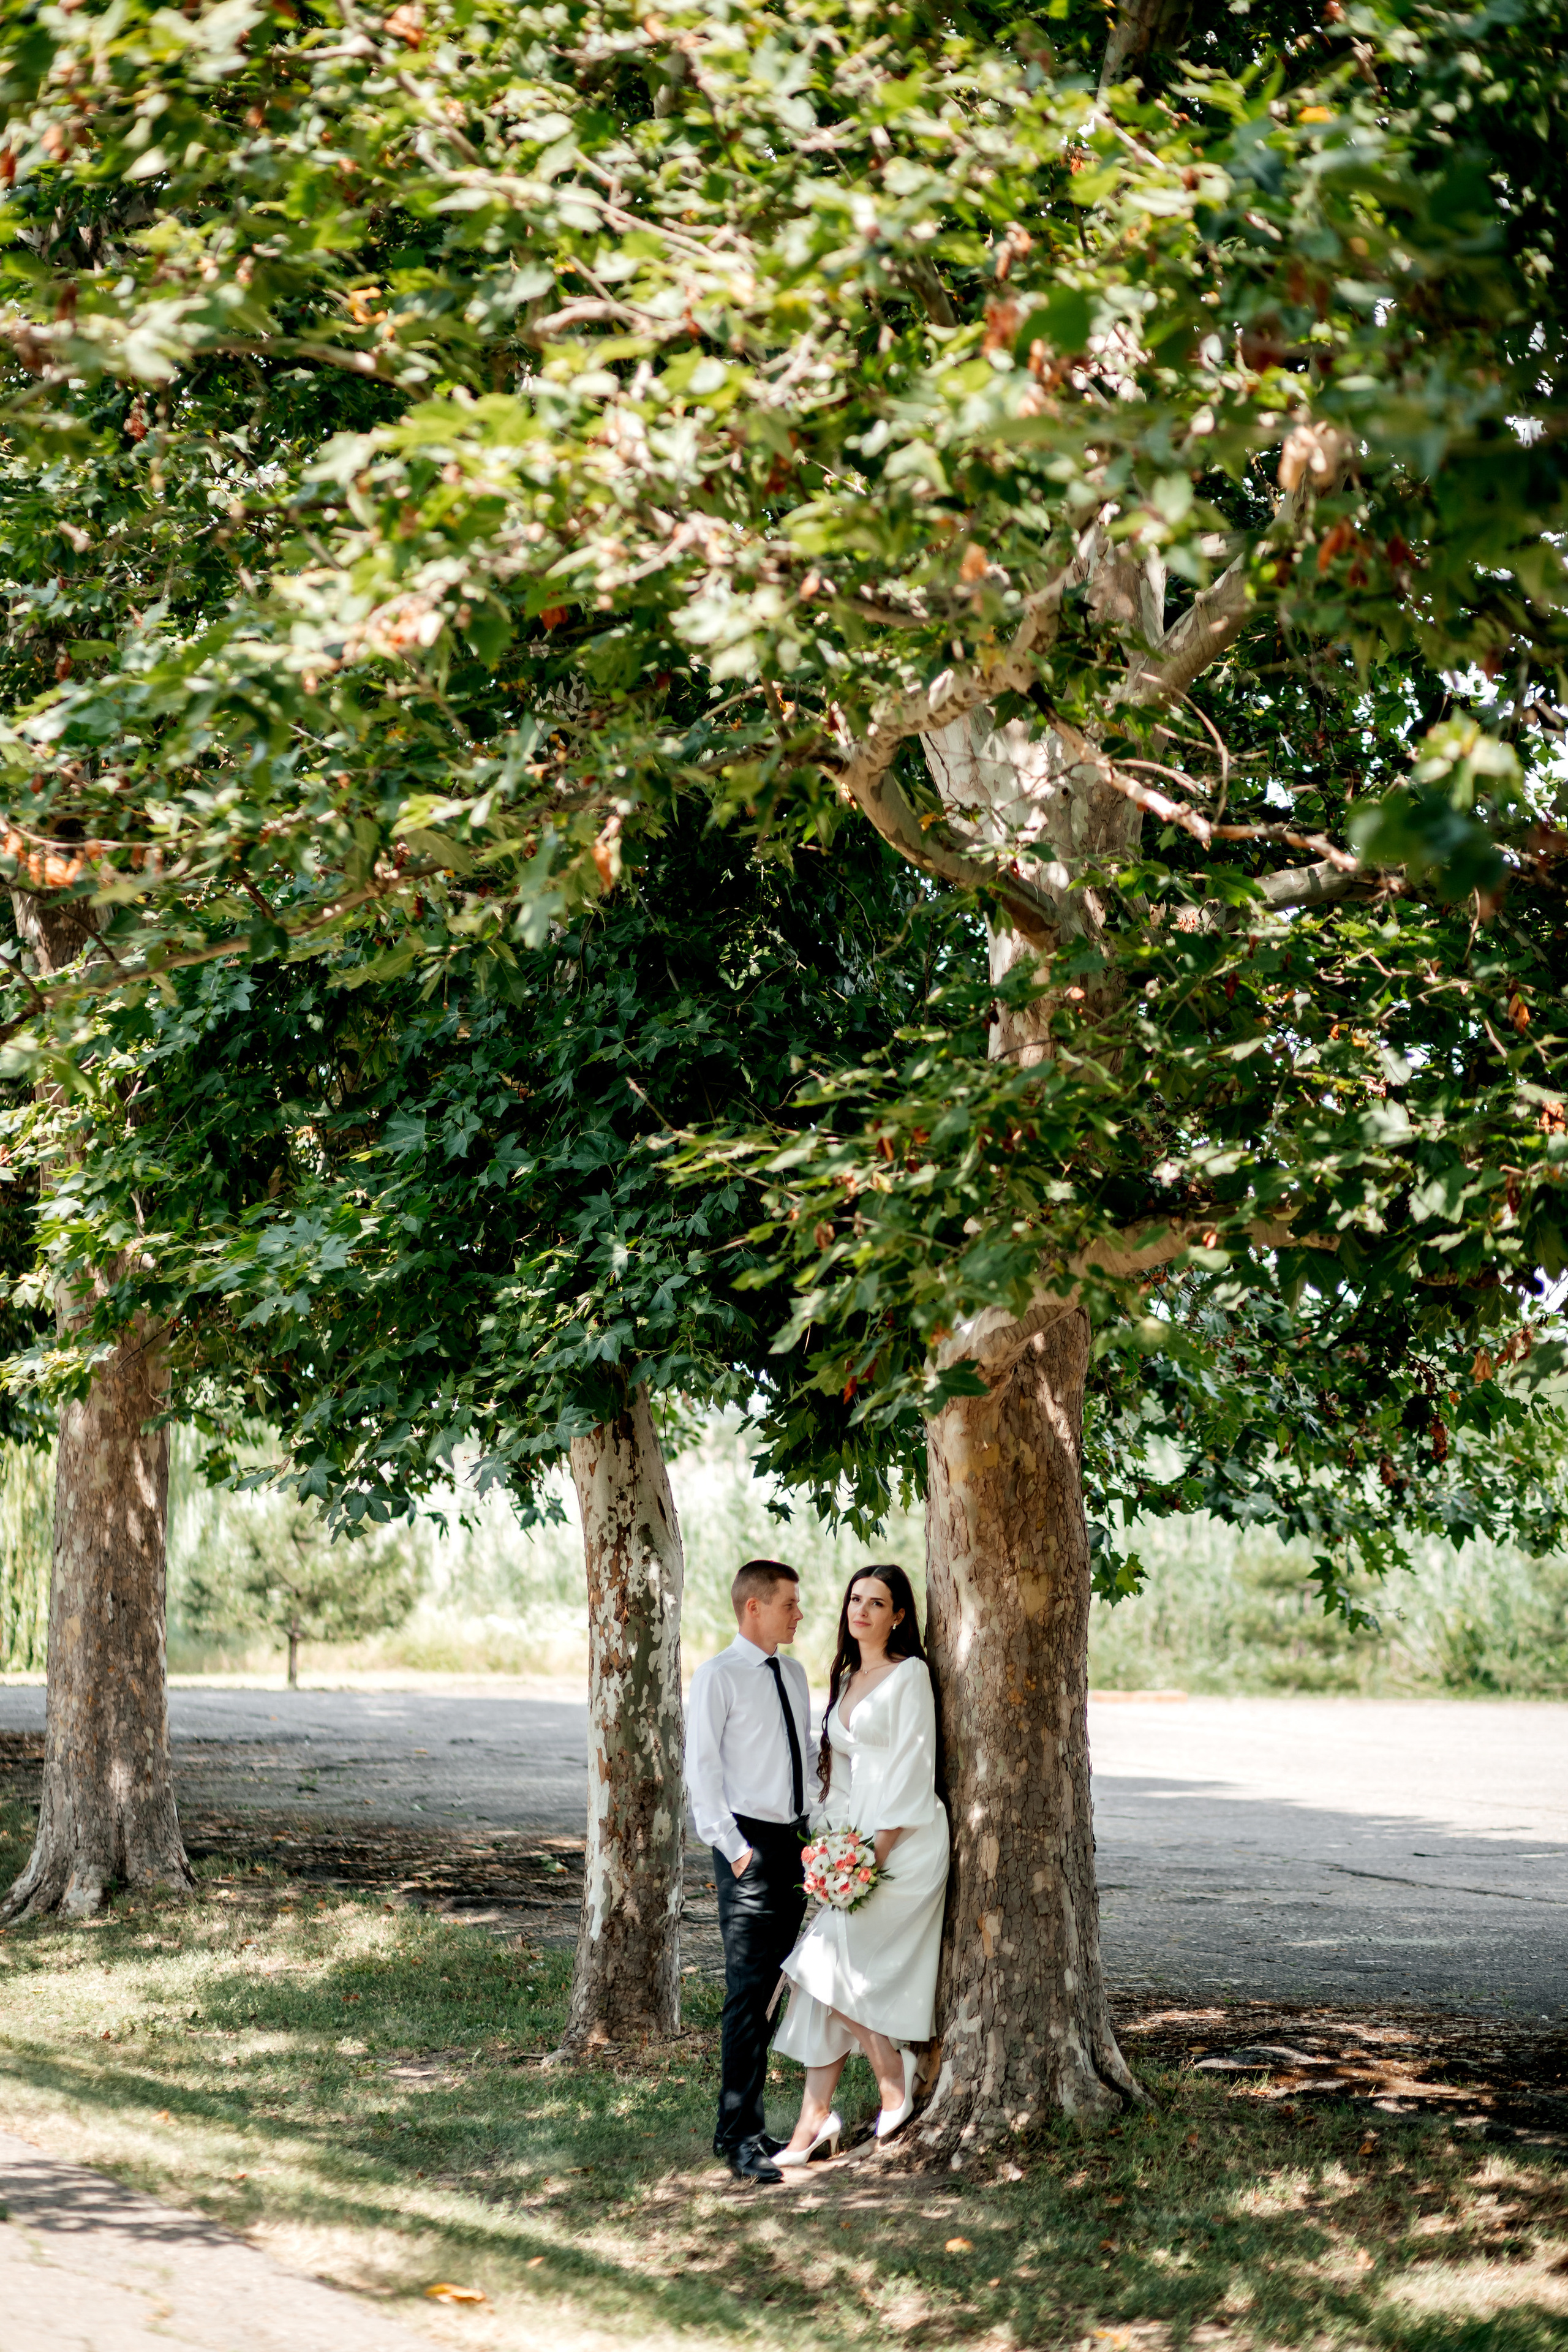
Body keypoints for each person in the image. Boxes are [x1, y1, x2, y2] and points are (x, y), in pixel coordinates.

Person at [773, 1564, 948, 2163]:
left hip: (905, 1843)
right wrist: (830, 1853)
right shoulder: (848, 1678)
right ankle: (813, 2122)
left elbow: (911, 1769)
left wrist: (874, 1854)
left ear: (899, 1615)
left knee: (820, 1962)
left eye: (877, 1602)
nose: (862, 1611)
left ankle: (890, 2072)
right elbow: (841, 1781)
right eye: (855, 1599)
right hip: (854, 1847)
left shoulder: (910, 1676)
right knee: (820, 1978)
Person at [685, 1556, 812, 2185]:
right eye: (790, 1603)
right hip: (748, 1848)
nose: (800, 1613)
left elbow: (804, 1756)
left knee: (771, 1991)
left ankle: (748, 2125)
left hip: (795, 1846)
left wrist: (813, 1832)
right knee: (746, 1994)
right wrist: (735, 1850)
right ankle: (738, 2137)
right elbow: (701, 1771)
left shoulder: (793, 1672)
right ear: (753, 1607)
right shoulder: (719, 1676)